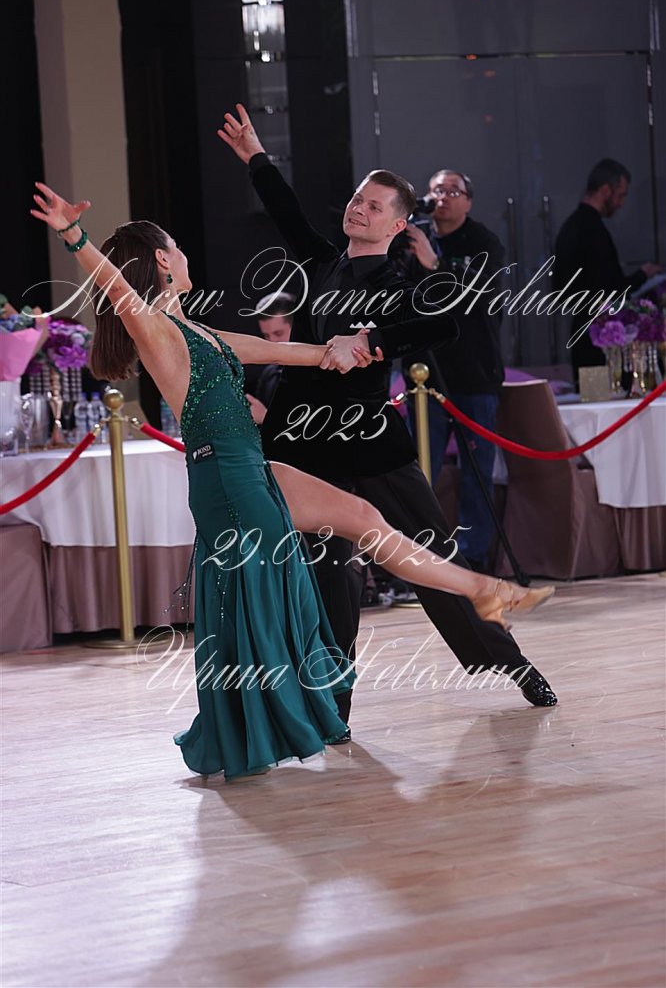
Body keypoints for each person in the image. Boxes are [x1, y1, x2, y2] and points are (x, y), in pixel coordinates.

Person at [31, 183, 554, 779]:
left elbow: (291, 352)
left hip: (254, 467)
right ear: (160, 262)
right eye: (175, 247)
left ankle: (483, 590)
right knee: (282, 592)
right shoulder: (156, 328)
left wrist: (354, 347)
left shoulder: (203, 333)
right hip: (227, 480)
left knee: (366, 522)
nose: (184, 252)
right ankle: (270, 718)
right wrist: (73, 236)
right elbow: (118, 290)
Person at [218, 104, 558, 731]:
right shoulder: (321, 263)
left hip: (373, 445)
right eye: (357, 200)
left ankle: (511, 664)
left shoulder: (403, 284)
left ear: (398, 224)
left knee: (433, 559)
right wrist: (256, 158)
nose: (359, 209)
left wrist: (370, 339)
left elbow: (445, 322)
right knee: (329, 578)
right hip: (308, 448)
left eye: (374, 206)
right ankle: (333, 706)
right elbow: (288, 212)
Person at [399, 168, 505, 572]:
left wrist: (436, 263)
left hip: (474, 372)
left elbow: (479, 298)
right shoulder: (414, 238)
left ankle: (473, 560)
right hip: (424, 374)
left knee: (476, 472)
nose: (442, 197)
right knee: (419, 472)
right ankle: (421, 558)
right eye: (436, 190)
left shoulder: (484, 243)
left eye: (452, 191)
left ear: (469, 201)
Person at [553, 158, 662, 387]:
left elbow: (562, 289)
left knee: (592, 398)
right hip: (601, 340)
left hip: (584, 335)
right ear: (605, 190)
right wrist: (642, 275)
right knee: (605, 398)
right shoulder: (592, 231)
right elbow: (612, 288)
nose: (621, 204)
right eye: (620, 195)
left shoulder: (571, 227)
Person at [245, 292, 295, 425]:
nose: (271, 342)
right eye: (266, 336)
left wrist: (266, 418)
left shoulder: (322, 369)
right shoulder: (269, 374)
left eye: (278, 333)